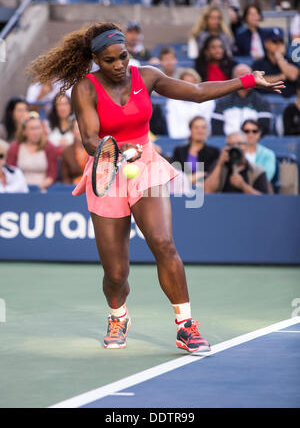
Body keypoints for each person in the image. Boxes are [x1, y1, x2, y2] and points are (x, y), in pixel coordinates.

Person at [26, 21, 283, 353]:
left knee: (163, 243)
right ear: (95, 60)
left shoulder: (145, 76)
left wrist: (248, 80)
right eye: (110, 60)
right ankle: (118, 316)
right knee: (116, 273)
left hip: (146, 167)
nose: (119, 65)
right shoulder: (85, 89)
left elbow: (198, 93)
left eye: (123, 56)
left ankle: (185, 326)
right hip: (108, 170)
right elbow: (90, 140)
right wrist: (114, 151)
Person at [214, 64, 274, 136]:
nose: (246, 78)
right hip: (228, 144)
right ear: (233, 78)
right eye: (242, 75)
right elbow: (216, 129)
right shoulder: (222, 101)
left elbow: (264, 128)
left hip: (253, 143)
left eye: (248, 75)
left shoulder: (261, 101)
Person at [6, 112, 58, 192]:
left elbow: (52, 175)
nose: (36, 132)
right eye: (32, 128)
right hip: (19, 190)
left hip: (42, 189)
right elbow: (10, 173)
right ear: (24, 132)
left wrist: (38, 188)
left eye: (38, 128)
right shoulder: (15, 148)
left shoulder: (49, 147)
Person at [204, 131, 269, 194]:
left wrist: (243, 186)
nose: (235, 147)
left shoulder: (257, 170)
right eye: (231, 145)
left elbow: (264, 200)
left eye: (239, 144)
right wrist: (220, 164)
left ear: (246, 146)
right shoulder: (218, 166)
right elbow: (207, 191)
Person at [165, 69, 215, 138]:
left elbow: (206, 126)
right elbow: (173, 127)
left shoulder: (207, 102)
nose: (190, 86)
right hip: (179, 141)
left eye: (192, 83)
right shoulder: (173, 102)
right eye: (186, 83)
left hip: (201, 140)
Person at [252, 27, 300, 98]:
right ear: (266, 44)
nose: (279, 45)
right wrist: (281, 77)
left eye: (281, 41)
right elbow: (257, 82)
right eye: (275, 41)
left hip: (287, 101)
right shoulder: (259, 63)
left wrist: (279, 57)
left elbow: (293, 76)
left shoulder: (291, 60)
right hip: (264, 101)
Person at [172, 116, 220, 185]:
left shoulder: (214, 151)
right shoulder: (179, 151)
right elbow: (176, 173)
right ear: (190, 129)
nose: (200, 131)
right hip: (182, 188)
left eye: (203, 127)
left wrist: (197, 177)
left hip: (205, 188)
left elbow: (213, 173)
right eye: (196, 127)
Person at [61, 119, 88, 184]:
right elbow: (65, 179)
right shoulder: (66, 152)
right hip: (74, 189)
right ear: (72, 132)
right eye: (78, 128)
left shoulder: (97, 150)